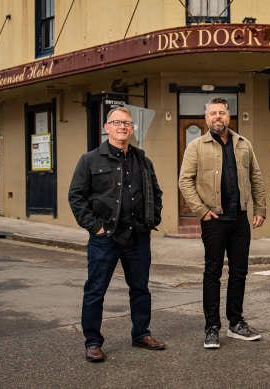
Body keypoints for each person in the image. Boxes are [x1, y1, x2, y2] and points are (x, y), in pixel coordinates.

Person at [68, 107, 165, 362]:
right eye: (117, 122)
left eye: (127, 123)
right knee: (95, 291)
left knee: (141, 289)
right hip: (106, 238)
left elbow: (156, 193)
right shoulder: (90, 159)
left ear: (132, 129)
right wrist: (96, 227)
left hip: (138, 238)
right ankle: (93, 342)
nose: (122, 127)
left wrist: (152, 218)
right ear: (106, 127)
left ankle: (141, 334)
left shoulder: (143, 160)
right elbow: (76, 197)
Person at [179, 97, 267, 349]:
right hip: (214, 220)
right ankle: (211, 328)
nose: (218, 117)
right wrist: (201, 211)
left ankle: (236, 323)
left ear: (229, 116)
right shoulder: (196, 146)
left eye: (222, 113)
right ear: (206, 118)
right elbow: (185, 181)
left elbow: (256, 178)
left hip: (239, 218)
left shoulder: (244, 144)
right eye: (213, 113)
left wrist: (259, 208)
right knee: (213, 273)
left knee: (239, 272)